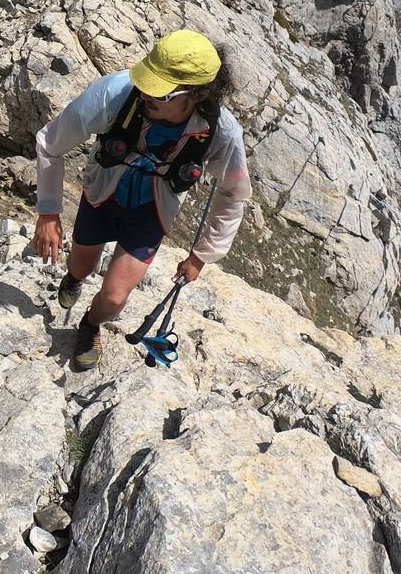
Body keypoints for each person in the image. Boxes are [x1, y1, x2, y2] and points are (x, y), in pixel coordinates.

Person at [33, 29, 251, 371]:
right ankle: (75, 277)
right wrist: (48, 213)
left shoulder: (221, 131)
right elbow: (50, 144)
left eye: (161, 90)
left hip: (152, 211)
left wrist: (201, 256)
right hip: (101, 194)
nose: (147, 92)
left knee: (114, 297)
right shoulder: (114, 93)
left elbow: (233, 193)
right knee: (81, 266)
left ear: (197, 94)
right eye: (148, 79)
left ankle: (90, 325)